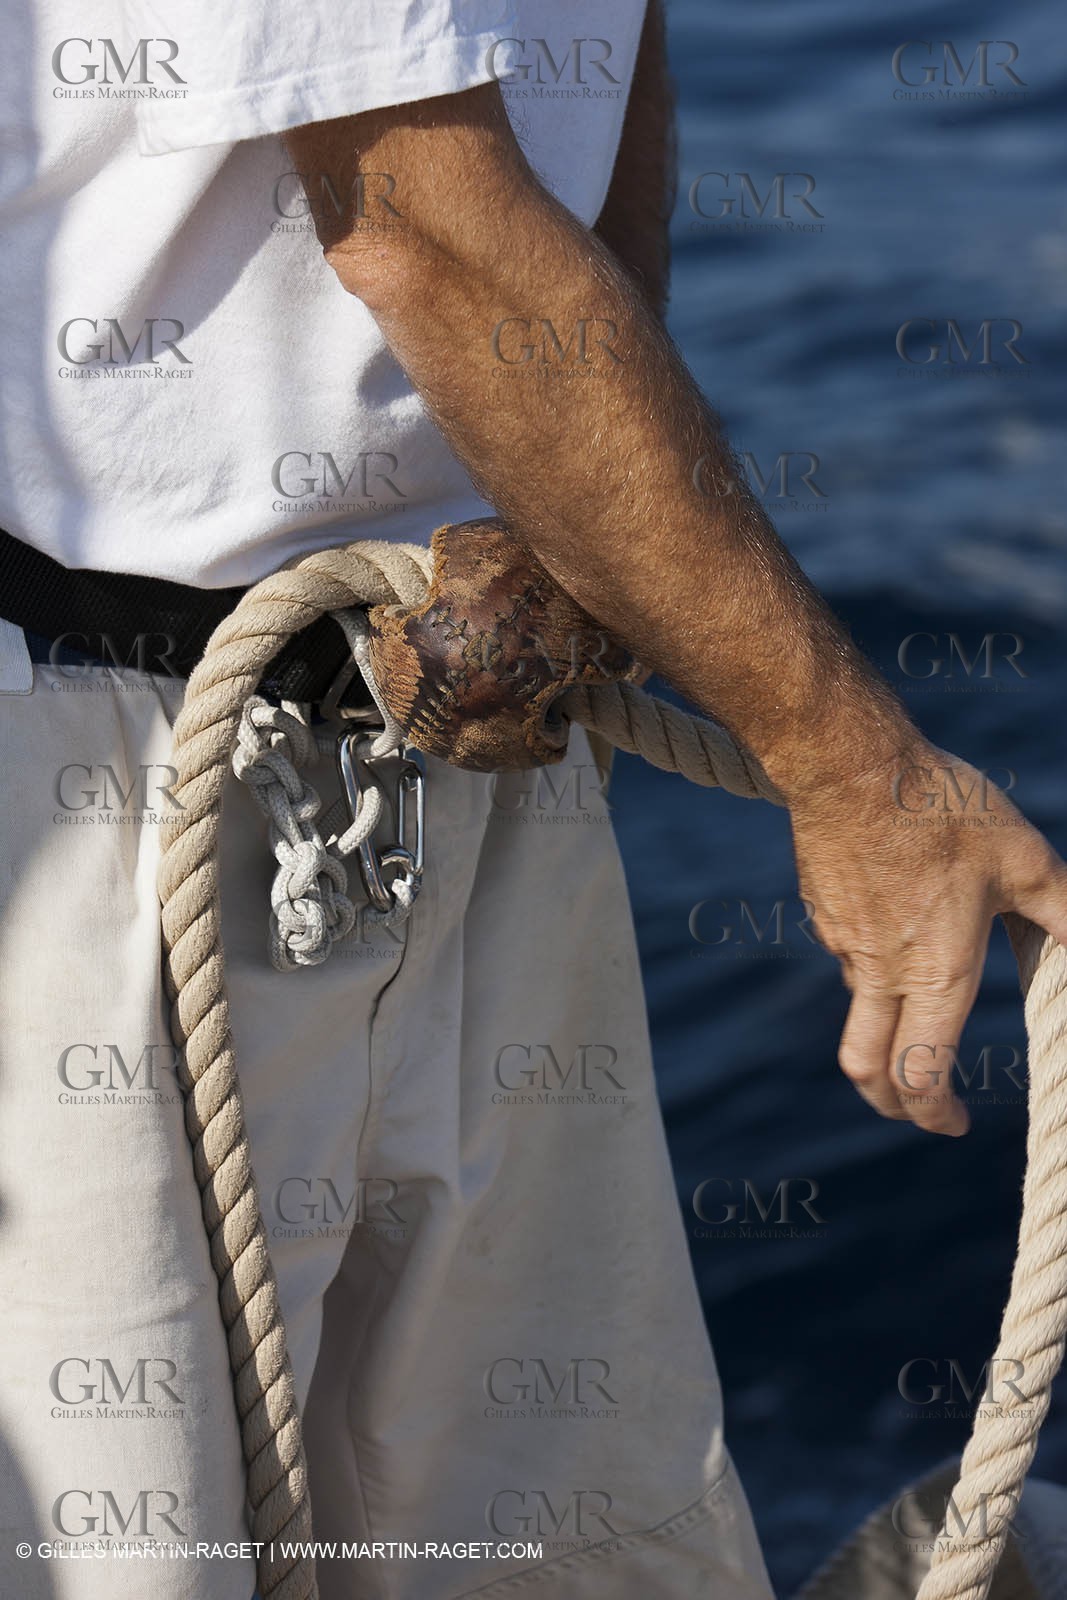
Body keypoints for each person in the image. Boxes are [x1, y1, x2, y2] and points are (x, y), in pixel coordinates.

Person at [1, 4, 1064, 1599]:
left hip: (478, 705)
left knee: (567, 1543)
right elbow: (426, 229)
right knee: (121, 1551)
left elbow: (596, 46)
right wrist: (855, 772)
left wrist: (569, 525)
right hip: (100, 780)